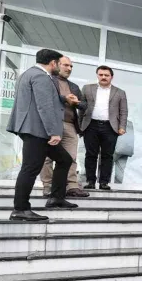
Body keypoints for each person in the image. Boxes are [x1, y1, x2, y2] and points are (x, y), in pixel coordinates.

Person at [7, 49, 78, 221]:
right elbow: (44, 106)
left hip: (36, 130)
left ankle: (56, 198)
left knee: (64, 159)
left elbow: (41, 99)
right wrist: (53, 131)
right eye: (59, 64)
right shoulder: (41, 76)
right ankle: (20, 209)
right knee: (30, 168)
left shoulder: (30, 74)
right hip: (37, 131)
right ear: (53, 63)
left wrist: (63, 99)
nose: (61, 68)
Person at [39, 56, 89, 198]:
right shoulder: (47, 81)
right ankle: (48, 186)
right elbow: (45, 100)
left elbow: (84, 106)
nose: (69, 69)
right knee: (47, 157)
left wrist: (76, 103)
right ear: (56, 65)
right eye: (66, 65)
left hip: (70, 124)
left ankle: (72, 186)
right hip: (51, 124)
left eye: (71, 66)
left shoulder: (73, 86)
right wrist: (64, 98)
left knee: (71, 157)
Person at [80, 65, 128, 190]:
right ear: (97, 75)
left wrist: (122, 126)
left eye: (106, 75)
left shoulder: (120, 92)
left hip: (110, 127)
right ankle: (90, 181)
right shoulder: (87, 88)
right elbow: (81, 109)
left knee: (108, 155)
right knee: (91, 154)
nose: (103, 77)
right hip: (91, 125)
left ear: (111, 77)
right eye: (101, 74)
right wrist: (80, 126)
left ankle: (104, 182)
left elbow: (123, 111)